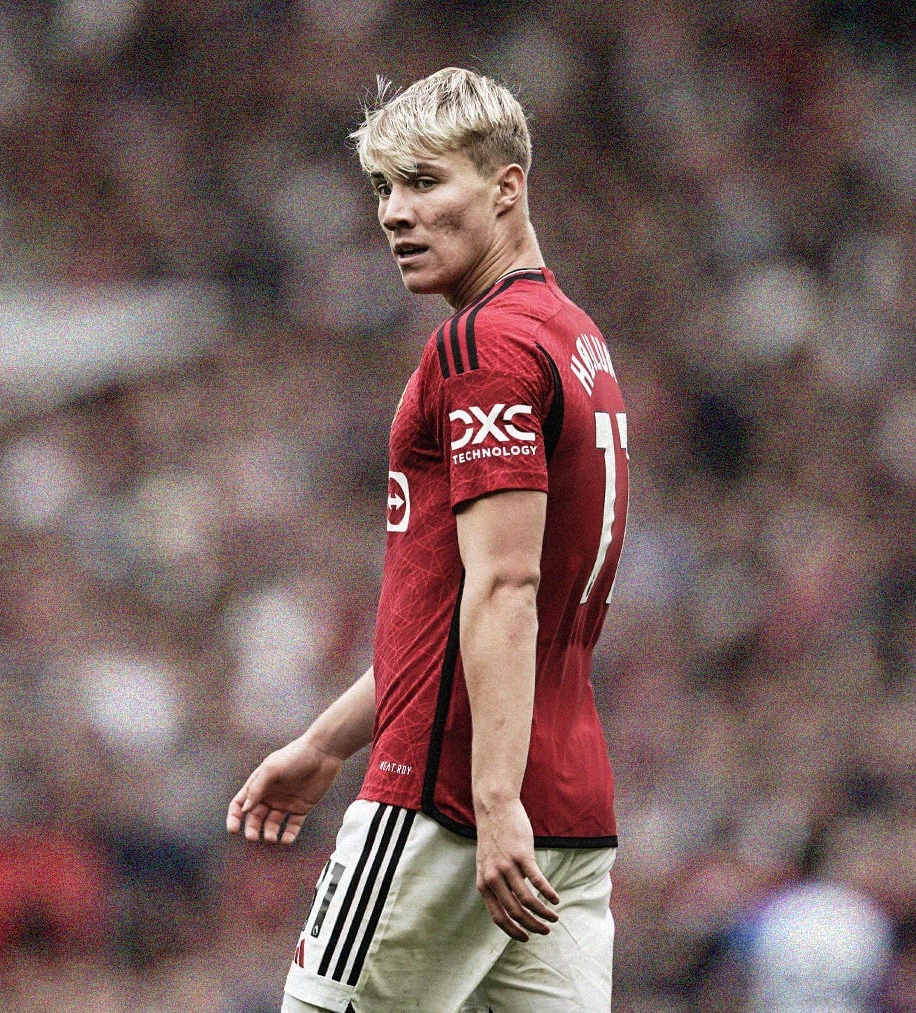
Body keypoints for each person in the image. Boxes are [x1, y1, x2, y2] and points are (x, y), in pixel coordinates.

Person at [226, 67, 631, 1012]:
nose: (396, 215)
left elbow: (506, 592)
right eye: (384, 190)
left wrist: (491, 803)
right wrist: (327, 743)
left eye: (424, 181)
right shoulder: (575, 340)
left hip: (445, 803)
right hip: (567, 811)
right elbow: (459, 611)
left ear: (506, 187)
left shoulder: (483, 347)